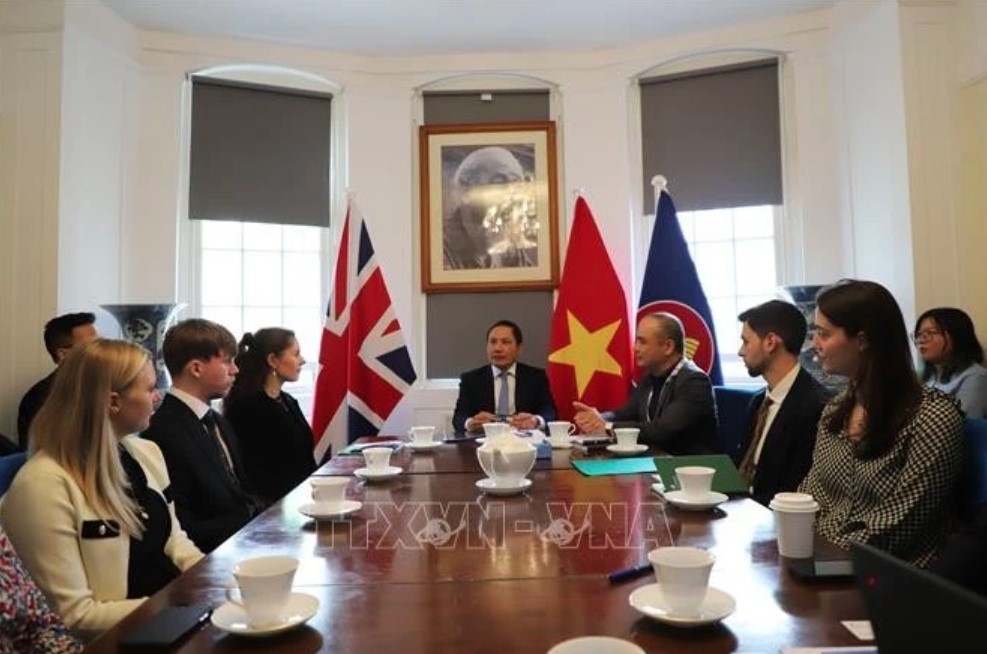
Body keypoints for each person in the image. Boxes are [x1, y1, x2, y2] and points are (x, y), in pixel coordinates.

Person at [0, 340, 202, 639]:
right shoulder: (41, 486)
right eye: (149, 389)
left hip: (171, 622)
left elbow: (175, 541)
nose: (157, 397)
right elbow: (73, 615)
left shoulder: (145, 453)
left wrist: (212, 580)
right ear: (112, 402)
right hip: (118, 638)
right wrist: (175, 605)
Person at [799, 280, 964, 567]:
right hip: (828, 560)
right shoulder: (835, 409)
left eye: (823, 334)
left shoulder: (932, 415)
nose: (815, 344)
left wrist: (824, 552)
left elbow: (901, 521)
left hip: (896, 572)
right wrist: (795, 540)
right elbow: (813, 493)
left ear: (862, 341)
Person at [141, 319, 262, 553]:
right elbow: (181, 525)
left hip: (245, 545)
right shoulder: (162, 433)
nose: (235, 369)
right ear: (196, 368)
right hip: (206, 560)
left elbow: (242, 492)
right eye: (227, 361)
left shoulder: (218, 422)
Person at [573, 312, 718, 455]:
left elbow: (661, 430)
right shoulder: (650, 376)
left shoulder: (695, 382)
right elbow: (624, 413)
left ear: (668, 346)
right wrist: (598, 418)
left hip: (690, 470)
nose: (635, 348)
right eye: (636, 341)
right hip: (655, 462)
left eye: (642, 342)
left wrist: (606, 427)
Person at [736, 300, 829, 506]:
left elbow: (797, 490)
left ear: (770, 342)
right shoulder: (758, 401)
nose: (740, 351)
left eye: (746, 342)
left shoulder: (816, 407)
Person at [223, 328, 316, 505]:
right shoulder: (249, 408)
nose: (302, 361)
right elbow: (258, 473)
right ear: (273, 360)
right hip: (275, 508)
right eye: (296, 354)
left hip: (302, 499)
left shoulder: (287, 400)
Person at [443, 146, 538, 270]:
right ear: (467, 190)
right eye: (499, 182)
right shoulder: (441, 251)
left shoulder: (508, 246)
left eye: (516, 184)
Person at [452, 320, 556, 433]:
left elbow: (550, 412)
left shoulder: (536, 377)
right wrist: (470, 423)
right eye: (493, 342)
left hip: (524, 441)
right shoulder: (471, 379)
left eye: (505, 342)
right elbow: (459, 417)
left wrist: (535, 420)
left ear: (519, 348)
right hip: (485, 441)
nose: (497, 348)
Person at [17, 312, 98, 449]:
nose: (101, 351)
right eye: (92, 346)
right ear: (63, 354)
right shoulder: (41, 398)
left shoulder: (104, 385)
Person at [914, 307, 987, 418]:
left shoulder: (976, 377)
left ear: (957, 336)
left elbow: (966, 426)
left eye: (930, 332)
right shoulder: (926, 377)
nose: (921, 340)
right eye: (919, 334)